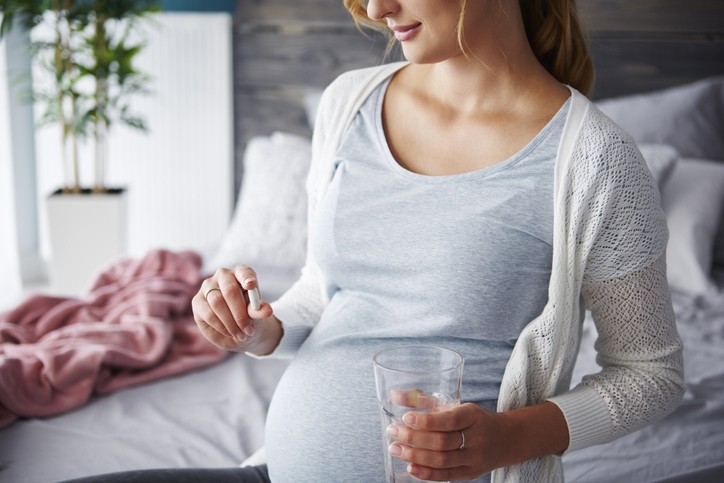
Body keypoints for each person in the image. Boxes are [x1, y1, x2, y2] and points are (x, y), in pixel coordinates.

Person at [60, 0, 684, 482]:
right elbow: (325, 292)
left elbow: (650, 374)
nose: (377, 8)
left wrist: (507, 438)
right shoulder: (349, 102)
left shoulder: (595, 160)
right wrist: (260, 329)